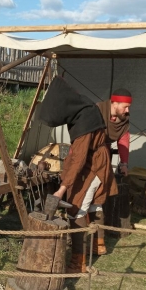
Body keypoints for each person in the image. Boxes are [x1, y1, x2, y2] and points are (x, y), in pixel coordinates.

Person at [39, 76, 118, 272]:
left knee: (76, 207)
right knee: (94, 204)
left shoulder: (84, 121)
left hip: (94, 164)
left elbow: (79, 159)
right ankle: (97, 245)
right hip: (99, 159)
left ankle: (78, 262)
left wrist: (62, 189)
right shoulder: (86, 109)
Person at [91, 88, 132, 255]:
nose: (128, 110)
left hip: (104, 158)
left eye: (129, 106)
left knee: (99, 196)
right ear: (114, 103)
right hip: (88, 155)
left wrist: (124, 163)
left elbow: (123, 140)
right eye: (125, 106)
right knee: (83, 198)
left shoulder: (123, 120)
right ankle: (81, 238)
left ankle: (98, 241)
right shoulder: (96, 111)